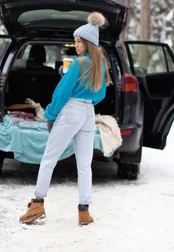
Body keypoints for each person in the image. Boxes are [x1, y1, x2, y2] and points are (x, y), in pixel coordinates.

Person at [19, 12, 112, 226]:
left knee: (49, 159)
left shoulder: (79, 64)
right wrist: (74, 84)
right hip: (88, 114)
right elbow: (99, 95)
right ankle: (84, 211)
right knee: (84, 165)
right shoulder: (100, 66)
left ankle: (37, 204)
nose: (76, 44)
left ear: (88, 43)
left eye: (79, 41)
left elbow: (61, 94)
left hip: (70, 112)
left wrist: (50, 114)